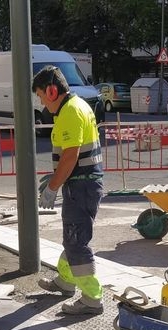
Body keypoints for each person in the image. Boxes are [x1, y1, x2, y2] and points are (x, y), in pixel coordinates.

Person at [32, 65, 105, 315]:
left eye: (41, 95)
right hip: (83, 183)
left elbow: (71, 155)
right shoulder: (78, 105)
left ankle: (92, 297)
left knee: (77, 241)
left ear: (52, 91)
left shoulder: (70, 112)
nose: (41, 102)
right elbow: (73, 154)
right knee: (73, 236)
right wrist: (57, 177)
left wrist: (53, 186)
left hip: (81, 185)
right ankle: (66, 281)